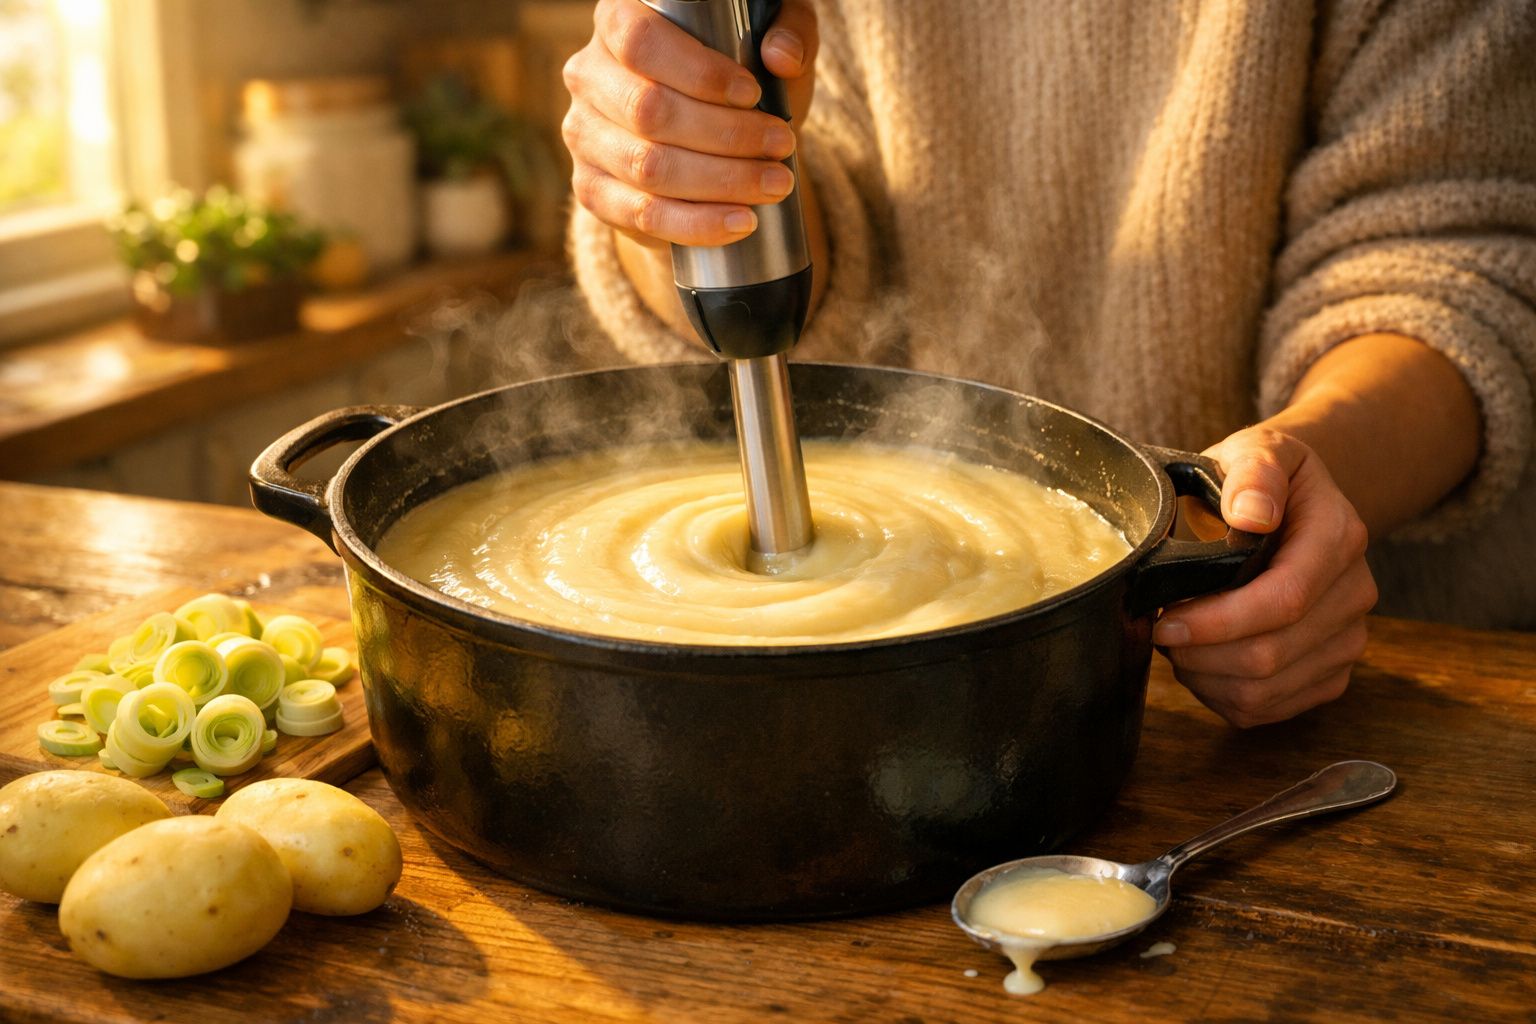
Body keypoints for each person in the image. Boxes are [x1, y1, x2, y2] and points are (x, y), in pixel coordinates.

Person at [560, 0, 1536, 726]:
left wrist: (1303, 475)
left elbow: (1452, 263)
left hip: (1359, 677)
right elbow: (829, 244)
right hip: (909, 702)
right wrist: (670, 192)